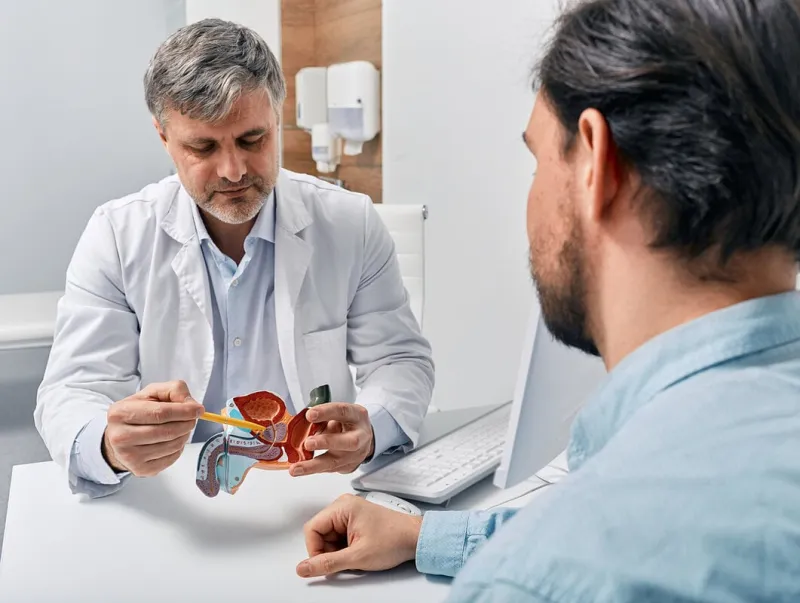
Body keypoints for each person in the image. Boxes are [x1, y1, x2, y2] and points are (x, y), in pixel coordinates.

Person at [295, 0, 800, 600]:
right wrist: (425, 534)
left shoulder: (536, 580)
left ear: (595, 163)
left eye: (536, 160)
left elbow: (572, 557)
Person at [34, 19, 434, 499]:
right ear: (164, 137)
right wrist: (109, 445)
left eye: (252, 140)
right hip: (176, 496)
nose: (234, 171)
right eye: (202, 146)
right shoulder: (117, 234)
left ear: (277, 119)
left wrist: (372, 428)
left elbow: (400, 359)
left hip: (309, 492)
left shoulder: (350, 222)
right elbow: (71, 390)